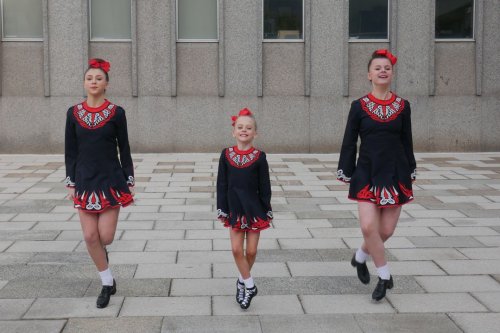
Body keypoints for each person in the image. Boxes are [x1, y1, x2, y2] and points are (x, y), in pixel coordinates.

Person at [337, 49, 416, 301]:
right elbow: (349, 142)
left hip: (396, 173)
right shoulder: (358, 106)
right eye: (377, 68)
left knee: (386, 230)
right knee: (368, 226)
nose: (383, 71)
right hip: (367, 173)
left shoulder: (403, 106)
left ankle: (361, 256)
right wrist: (346, 170)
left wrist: (411, 169)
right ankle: (384, 276)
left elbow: (407, 141)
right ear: (369, 74)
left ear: (392, 73)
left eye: (387, 68)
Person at [64, 58, 135, 308]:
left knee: (105, 236)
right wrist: (71, 181)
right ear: (84, 83)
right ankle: (107, 282)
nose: (93, 82)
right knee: (89, 235)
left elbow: (124, 148)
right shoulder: (73, 113)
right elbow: (70, 151)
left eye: (98, 78)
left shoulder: (117, 113)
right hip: (84, 179)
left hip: (111, 179)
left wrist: (129, 177)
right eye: (89, 78)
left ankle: (102, 256)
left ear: (106, 84)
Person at [216, 108, 273, 309]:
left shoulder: (260, 157)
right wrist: (222, 208)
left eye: (249, 128)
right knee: (236, 249)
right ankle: (250, 285)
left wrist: (267, 208)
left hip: (255, 209)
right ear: (234, 131)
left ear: (255, 133)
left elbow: (265, 186)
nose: (244, 130)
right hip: (234, 209)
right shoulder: (226, 155)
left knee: (251, 251)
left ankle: (241, 281)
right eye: (240, 127)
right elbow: (221, 184)